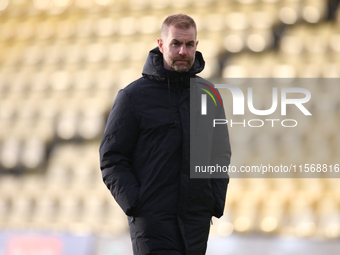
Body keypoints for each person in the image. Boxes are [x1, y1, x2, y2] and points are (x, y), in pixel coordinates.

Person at [99, 14, 231, 255]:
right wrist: (136, 204)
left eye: (189, 44)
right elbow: (112, 158)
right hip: (152, 223)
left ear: (196, 46)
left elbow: (220, 153)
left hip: (196, 222)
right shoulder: (132, 96)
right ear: (161, 45)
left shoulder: (209, 94)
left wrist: (213, 201)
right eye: (175, 44)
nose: (182, 51)